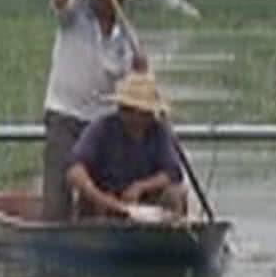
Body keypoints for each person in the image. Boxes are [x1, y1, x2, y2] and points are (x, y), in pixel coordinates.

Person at [41, 0, 145, 221]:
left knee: (96, 202)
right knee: (57, 203)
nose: (109, 1)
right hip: (65, 115)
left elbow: (134, 89)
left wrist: (141, 70)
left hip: (102, 124)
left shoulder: (127, 37)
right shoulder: (75, 14)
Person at [64, 72, 189, 221]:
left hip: (144, 201)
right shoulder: (102, 128)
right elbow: (74, 170)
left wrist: (141, 187)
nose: (146, 117)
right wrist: (100, 197)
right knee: (89, 203)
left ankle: (167, 232)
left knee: (176, 193)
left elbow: (172, 171)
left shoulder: (159, 131)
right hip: (105, 199)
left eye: (147, 112)